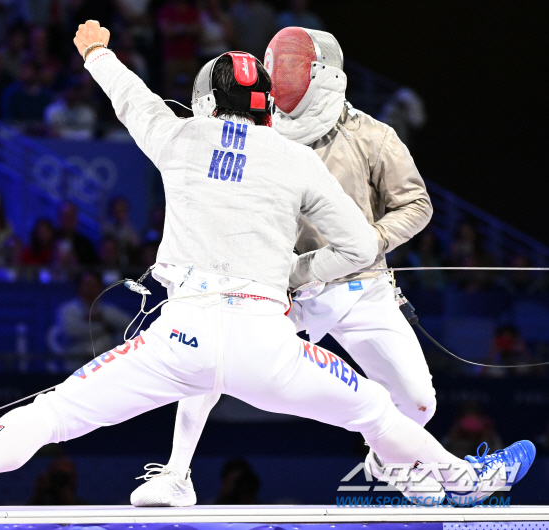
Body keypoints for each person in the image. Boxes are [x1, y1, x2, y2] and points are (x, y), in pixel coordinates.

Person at [0, 20, 534, 512]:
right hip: (268, 343)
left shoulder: (180, 136)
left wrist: (95, 50)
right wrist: (295, 276)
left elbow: (129, 97)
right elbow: (362, 248)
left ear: (210, 99)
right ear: (265, 105)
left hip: (181, 337)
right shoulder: (297, 160)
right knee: (376, 411)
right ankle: (467, 481)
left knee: (54, 411)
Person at [127, 27, 444, 506]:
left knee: (419, 402)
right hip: (285, 286)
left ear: (324, 76)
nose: (284, 78)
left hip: (361, 285)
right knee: (208, 354)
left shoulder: (374, 137)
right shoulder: (260, 132)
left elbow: (416, 204)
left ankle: (388, 457)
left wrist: (371, 240)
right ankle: (175, 472)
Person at [54, 271, 131, 371]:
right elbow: (71, 331)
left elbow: (128, 323)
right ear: (79, 287)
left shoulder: (107, 310)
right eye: (87, 285)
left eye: (95, 285)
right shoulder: (67, 310)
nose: (91, 289)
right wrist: (104, 328)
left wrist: (101, 317)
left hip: (104, 366)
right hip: (75, 365)